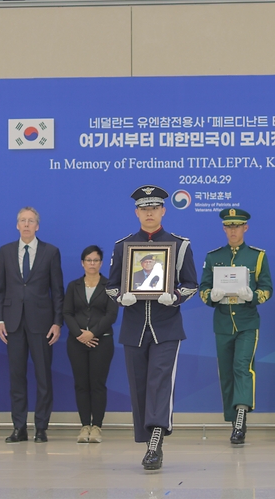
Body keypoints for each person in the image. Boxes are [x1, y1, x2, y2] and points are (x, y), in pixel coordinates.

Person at [105, 185, 198, 470]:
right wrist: (123, 297)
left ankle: (156, 441)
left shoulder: (180, 245)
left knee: (159, 383)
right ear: (136, 212)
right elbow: (110, 286)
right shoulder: (123, 246)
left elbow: (192, 284)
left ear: (163, 211)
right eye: (144, 209)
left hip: (166, 327)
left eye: (154, 208)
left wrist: (176, 297)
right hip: (134, 327)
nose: (149, 213)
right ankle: (148, 443)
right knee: (139, 386)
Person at [199, 208, 273, 445]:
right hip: (222, 323)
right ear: (224, 228)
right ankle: (233, 421)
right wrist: (212, 295)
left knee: (242, 367)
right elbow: (203, 289)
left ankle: (241, 417)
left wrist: (253, 295)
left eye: (237, 226)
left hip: (247, 322)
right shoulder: (213, 257)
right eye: (229, 226)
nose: (233, 230)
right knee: (227, 373)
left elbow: (267, 288)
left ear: (245, 228)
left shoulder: (257, 256)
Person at [0, 207, 64, 444]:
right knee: (16, 377)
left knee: (43, 376)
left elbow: (57, 291)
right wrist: (0, 320)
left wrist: (57, 322)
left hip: (42, 323)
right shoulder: (5, 251)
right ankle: (19, 427)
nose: (26, 224)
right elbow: (0, 289)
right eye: (22, 221)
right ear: (17, 225)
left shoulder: (51, 252)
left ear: (37, 226)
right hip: (13, 323)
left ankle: (41, 427)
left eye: (31, 221)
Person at [63, 245, 118, 443]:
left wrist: (93, 333)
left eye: (95, 260)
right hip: (76, 342)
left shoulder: (110, 285)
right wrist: (79, 334)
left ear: (101, 263)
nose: (92, 264)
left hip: (101, 341)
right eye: (88, 260)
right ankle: (84, 425)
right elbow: (67, 312)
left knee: (97, 384)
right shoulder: (73, 286)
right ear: (82, 263)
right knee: (81, 384)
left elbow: (111, 314)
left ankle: (97, 427)